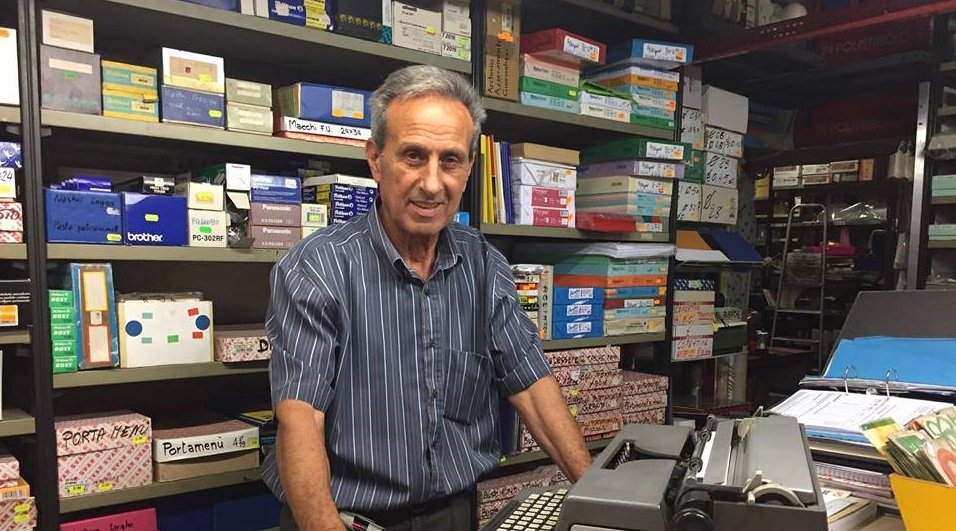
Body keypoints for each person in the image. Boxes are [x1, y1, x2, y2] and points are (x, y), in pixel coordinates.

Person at [263, 64, 592, 531]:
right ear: (375, 159)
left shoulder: (484, 264)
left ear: (469, 168)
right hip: (344, 516)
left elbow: (532, 386)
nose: (433, 183)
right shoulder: (317, 268)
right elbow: (300, 418)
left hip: (452, 514)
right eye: (413, 156)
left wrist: (602, 501)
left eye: (450, 160)